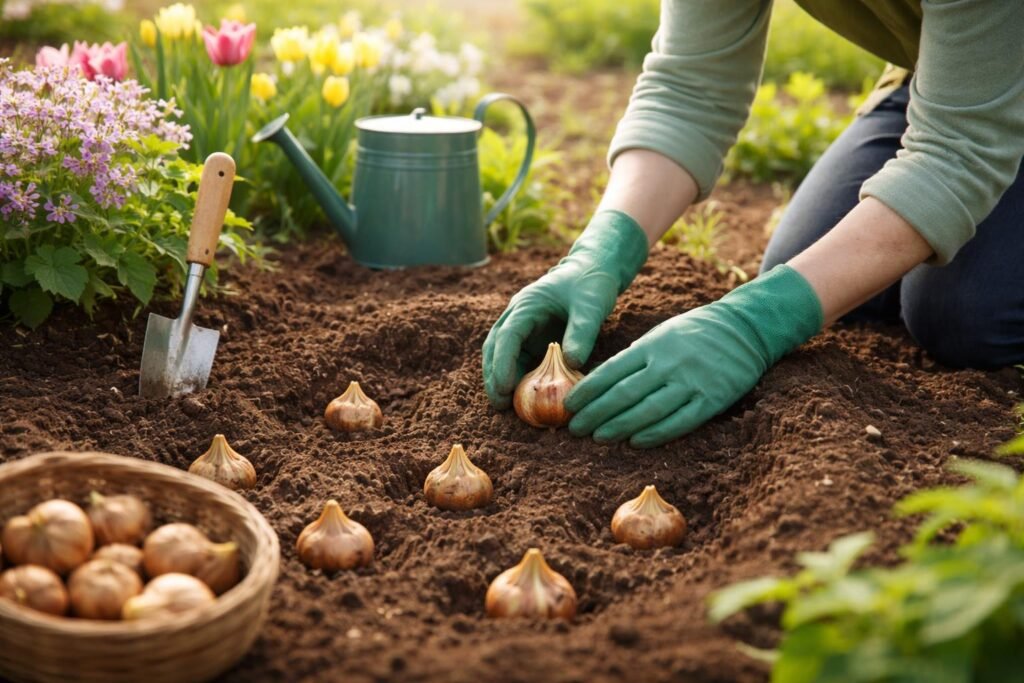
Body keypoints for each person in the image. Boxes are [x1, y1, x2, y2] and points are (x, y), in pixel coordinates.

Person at [482, 1, 1024, 448]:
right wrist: (602, 249)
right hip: (949, 73)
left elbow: (958, 150)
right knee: (808, 266)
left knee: (959, 314)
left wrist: (755, 323)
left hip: (987, 83)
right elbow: (689, 88)